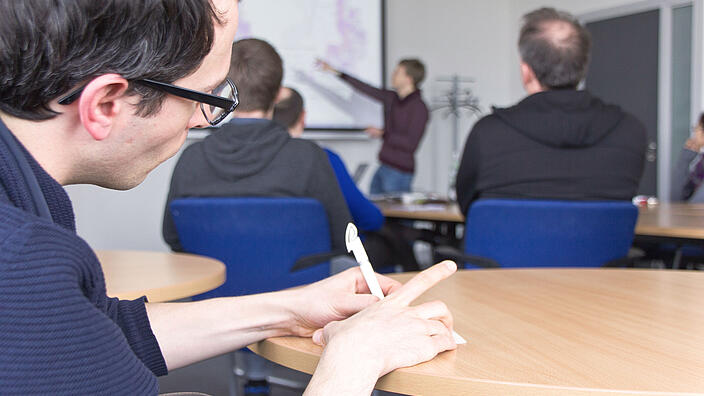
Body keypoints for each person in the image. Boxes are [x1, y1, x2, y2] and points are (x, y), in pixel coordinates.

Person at [0, 1, 457, 395]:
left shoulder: (26, 211)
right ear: (105, 105)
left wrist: (289, 308)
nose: (202, 122)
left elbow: (94, 331)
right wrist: (353, 361)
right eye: (203, 97)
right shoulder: (20, 258)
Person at [163, 39, 352, 253]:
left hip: (216, 285)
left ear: (226, 89)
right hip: (301, 286)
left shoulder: (192, 158)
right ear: (279, 94)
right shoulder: (309, 157)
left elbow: (172, 236)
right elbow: (343, 239)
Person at [455, 7, 647, 216]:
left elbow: (468, 208)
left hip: (506, 249)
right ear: (583, 67)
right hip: (596, 249)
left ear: (526, 72)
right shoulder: (630, 131)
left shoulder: (487, 133)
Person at [273, 86, 384, 232]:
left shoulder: (250, 157)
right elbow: (369, 218)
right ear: (303, 117)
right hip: (323, 251)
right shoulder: (324, 159)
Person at [317, 58, 429, 195]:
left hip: (400, 172)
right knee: (376, 210)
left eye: (398, 72)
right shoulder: (393, 98)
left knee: (397, 215)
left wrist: (383, 134)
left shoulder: (419, 108)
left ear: (409, 79)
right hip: (384, 166)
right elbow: (365, 88)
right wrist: (334, 71)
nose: (393, 74)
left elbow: (410, 144)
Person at [671, 113, 704, 202]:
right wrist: (684, 159)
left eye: (696, 128)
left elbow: (696, 204)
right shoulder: (701, 164)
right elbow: (676, 197)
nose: (694, 133)